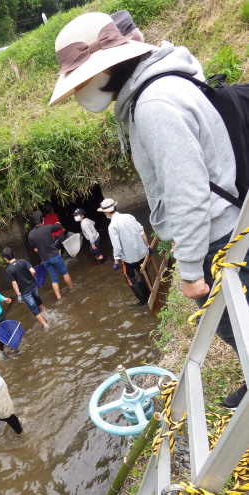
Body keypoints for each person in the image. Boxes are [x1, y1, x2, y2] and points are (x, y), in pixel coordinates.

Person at [48, 11, 248, 408]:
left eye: (81, 81)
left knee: (232, 322)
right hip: (231, 219)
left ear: (106, 71)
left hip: (218, 237)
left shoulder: (154, 105)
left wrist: (190, 271)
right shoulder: (168, 81)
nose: (80, 93)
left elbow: (187, 193)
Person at [98, 198, 151, 305]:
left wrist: (116, 261)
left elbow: (117, 247)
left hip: (129, 259)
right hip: (142, 253)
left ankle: (143, 300)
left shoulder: (112, 226)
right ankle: (150, 294)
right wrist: (147, 246)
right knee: (143, 273)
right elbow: (141, 231)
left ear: (107, 212)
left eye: (104, 212)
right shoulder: (129, 216)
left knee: (130, 278)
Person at [28, 210, 74, 300]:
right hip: (55, 255)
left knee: (54, 278)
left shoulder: (30, 235)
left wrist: (42, 251)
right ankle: (72, 288)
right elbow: (57, 227)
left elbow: (35, 249)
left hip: (45, 259)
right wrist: (58, 223)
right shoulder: (48, 228)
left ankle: (59, 297)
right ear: (43, 219)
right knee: (64, 273)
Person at [1, 247, 49, 329]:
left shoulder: (9, 270)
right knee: (38, 300)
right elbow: (33, 271)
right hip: (33, 285)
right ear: (14, 254)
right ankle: (46, 314)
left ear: (5, 259)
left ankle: (45, 324)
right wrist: (33, 277)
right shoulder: (22, 261)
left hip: (25, 291)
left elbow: (14, 283)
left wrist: (19, 295)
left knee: (34, 308)